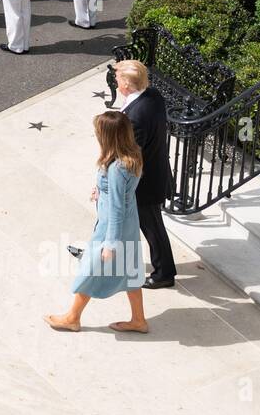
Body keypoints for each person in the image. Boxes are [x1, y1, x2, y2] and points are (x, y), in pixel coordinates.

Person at [45, 110, 147, 333]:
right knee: (130, 270)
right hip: (128, 224)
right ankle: (139, 320)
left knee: (91, 269)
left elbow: (118, 206)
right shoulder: (132, 154)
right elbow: (124, 193)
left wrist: (110, 244)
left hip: (112, 227)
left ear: (108, 136)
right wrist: (101, 190)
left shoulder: (117, 168)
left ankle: (72, 317)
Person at [113, 60, 176, 288]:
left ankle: (164, 274)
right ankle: (102, 255)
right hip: (155, 172)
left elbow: (129, 155)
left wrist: (112, 182)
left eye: (118, 79)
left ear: (127, 85)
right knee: (117, 221)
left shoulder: (135, 117)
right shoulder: (153, 95)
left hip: (144, 183)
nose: (116, 82)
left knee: (152, 227)